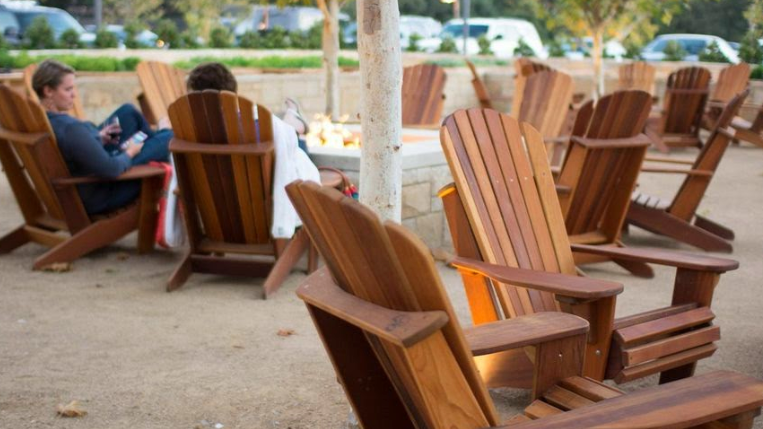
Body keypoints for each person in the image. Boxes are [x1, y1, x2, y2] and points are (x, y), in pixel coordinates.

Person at [185, 62, 320, 239]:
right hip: (262, 203)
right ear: (232, 92)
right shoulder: (255, 125)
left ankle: (294, 122)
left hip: (217, 209)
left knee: (288, 137)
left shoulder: (188, 129)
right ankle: (294, 120)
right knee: (293, 141)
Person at [32, 59, 172, 215]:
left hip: (88, 175)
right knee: (169, 136)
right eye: (68, 89)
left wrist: (97, 138)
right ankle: (160, 140)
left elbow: (75, 147)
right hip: (104, 191)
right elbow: (111, 169)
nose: (74, 94)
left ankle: (155, 142)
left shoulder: (42, 120)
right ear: (48, 91)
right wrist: (131, 152)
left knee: (128, 112)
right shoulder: (70, 128)